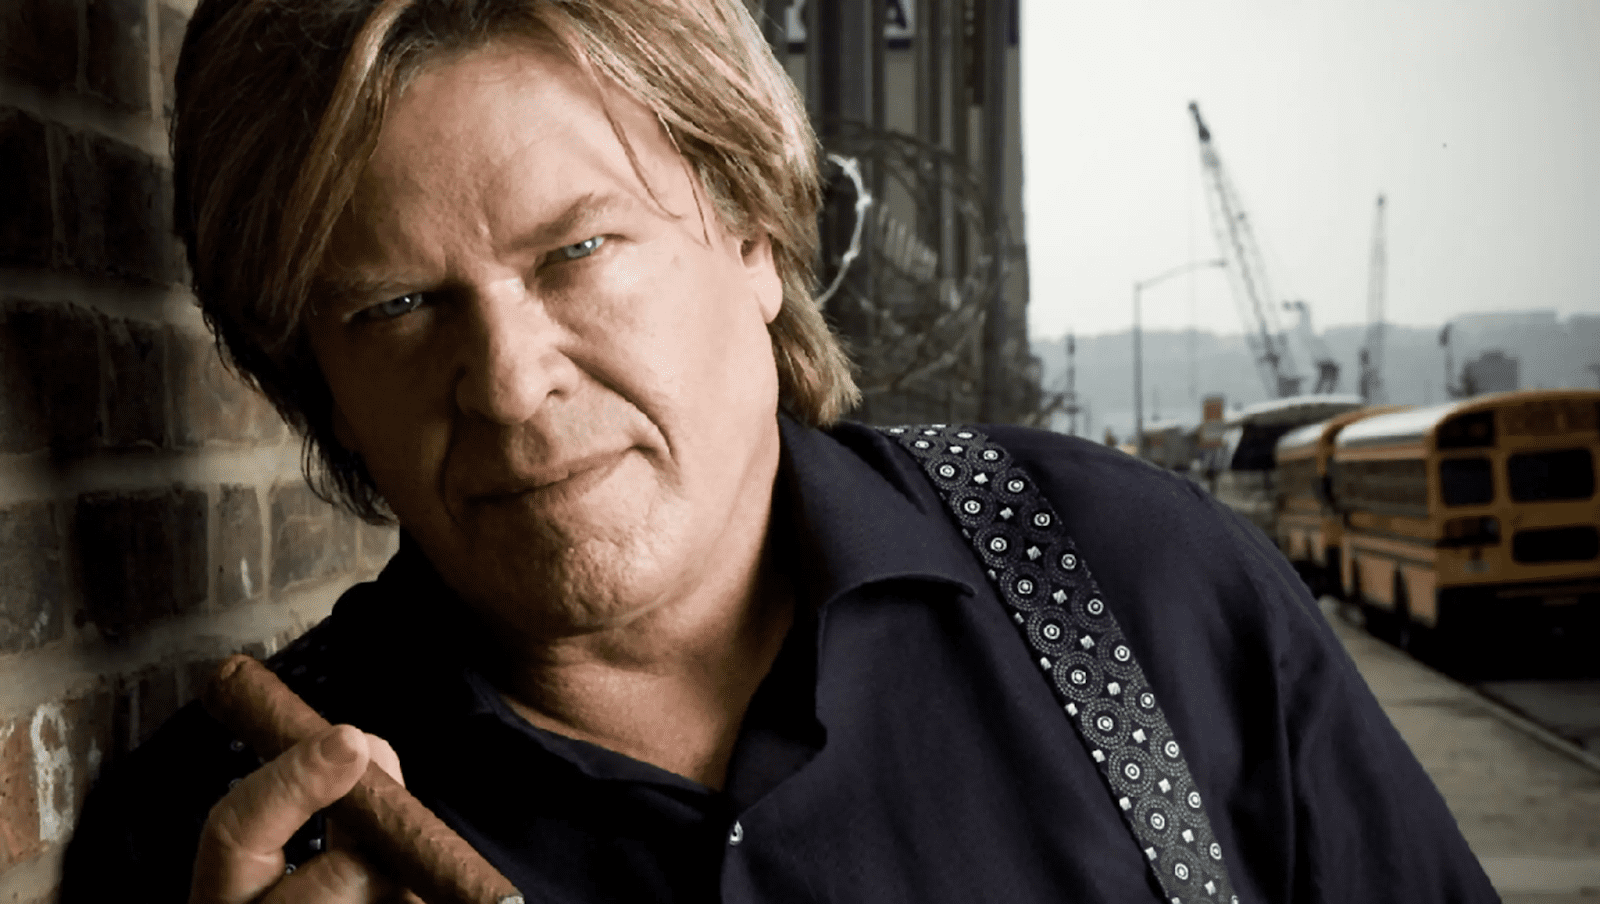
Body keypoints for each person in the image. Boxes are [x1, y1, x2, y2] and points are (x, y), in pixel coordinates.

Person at [62, 1, 1498, 902]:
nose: (505, 383)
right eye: (393, 306)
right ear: (318, 386)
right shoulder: (214, 845)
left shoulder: (1145, 590)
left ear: (755, 231)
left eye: (577, 250)